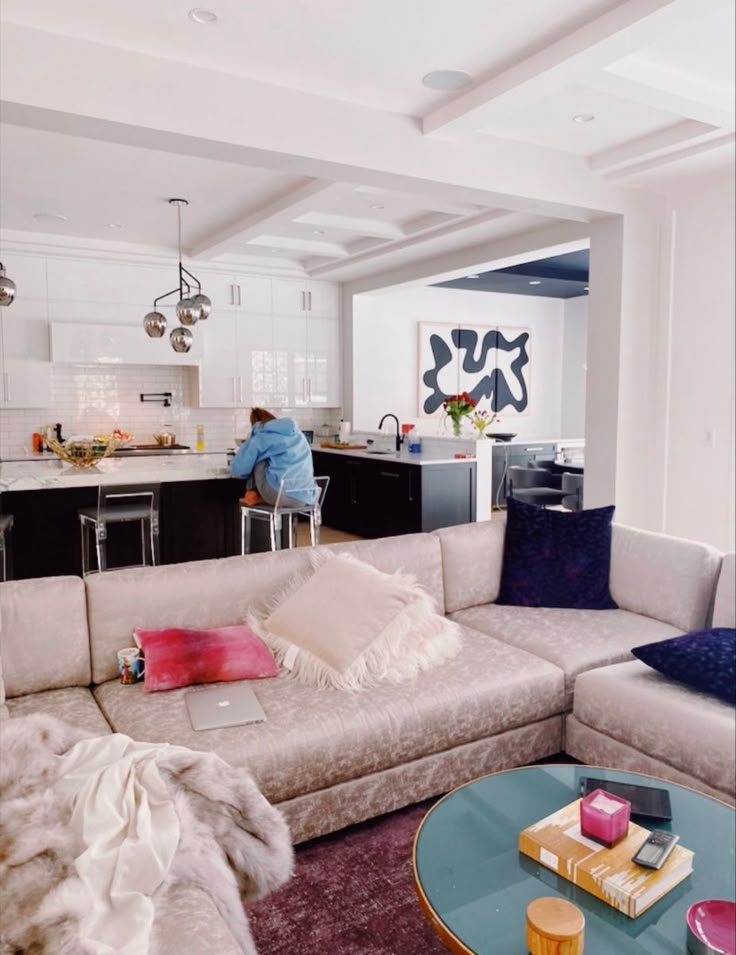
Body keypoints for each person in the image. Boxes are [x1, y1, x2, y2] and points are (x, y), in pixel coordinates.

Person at [230, 408, 317, 507]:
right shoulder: (298, 434)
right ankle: (259, 498)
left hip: (277, 494)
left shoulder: (260, 437)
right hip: (305, 497)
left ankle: (252, 495)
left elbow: (238, 470)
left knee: (259, 459)